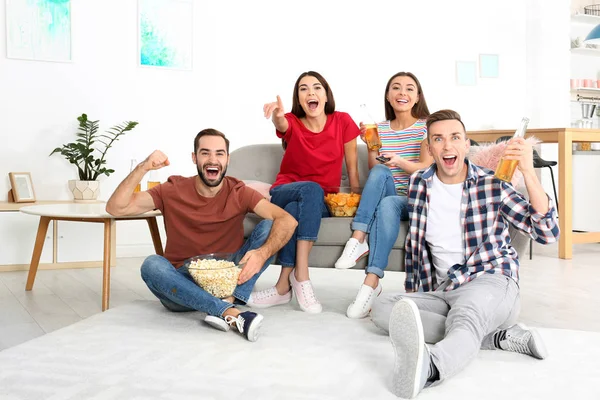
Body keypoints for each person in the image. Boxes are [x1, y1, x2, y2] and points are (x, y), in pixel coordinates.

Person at [370, 109, 560, 398]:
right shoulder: (420, 184)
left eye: (455, 137)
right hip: (446, 289)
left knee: (467, 315)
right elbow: (417, 249)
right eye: (439, 139)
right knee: (386, 309)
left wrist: (529, 173)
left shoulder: (492, 184)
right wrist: (417, 294)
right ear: (430, 147)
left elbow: (546, 233)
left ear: (466, 145)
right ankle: (496, 337)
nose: (447, 146)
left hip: (491, 280)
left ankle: (430, 366)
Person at [105, 128, 297, 342]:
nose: (212, 159)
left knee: (270, 227)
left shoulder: (239, 191)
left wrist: (261, 254)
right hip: (182, 282)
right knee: (152, 265)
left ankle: (225, 302)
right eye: (205, 153)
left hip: (227, 278)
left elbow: (287, 220)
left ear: (227, 159)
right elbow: (116, 207)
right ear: (194, 158)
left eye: (219, 153)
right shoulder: (172, 189)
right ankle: (229, 311)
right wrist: (143, 167)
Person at [247, 71, 361, 313]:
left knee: (293, 212)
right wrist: (277, 116)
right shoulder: (292, 121)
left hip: (319, 200)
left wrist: (355, 202)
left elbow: (352, 169)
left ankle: (281, 288)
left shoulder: (342, 121)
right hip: (284, 190)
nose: (311, 92)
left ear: (326, 95)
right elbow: (283, 124)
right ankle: (302, 275)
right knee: (308, 190)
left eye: (317, 87)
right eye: (303, 89)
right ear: (298, 100)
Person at [334, 72, 434, 319]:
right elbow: (375, 168)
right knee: (381, 177)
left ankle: (369, 281)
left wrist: (398, 160)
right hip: (390, 194)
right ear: (388, 96)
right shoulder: (379, 129)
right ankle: (359, 242)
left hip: (416, 196)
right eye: (396, 88)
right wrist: (372, 145)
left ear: (417, 96)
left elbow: (426, 166)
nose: (403, 93)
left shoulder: (426, 127)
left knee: (389, 199)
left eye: (409, 89)